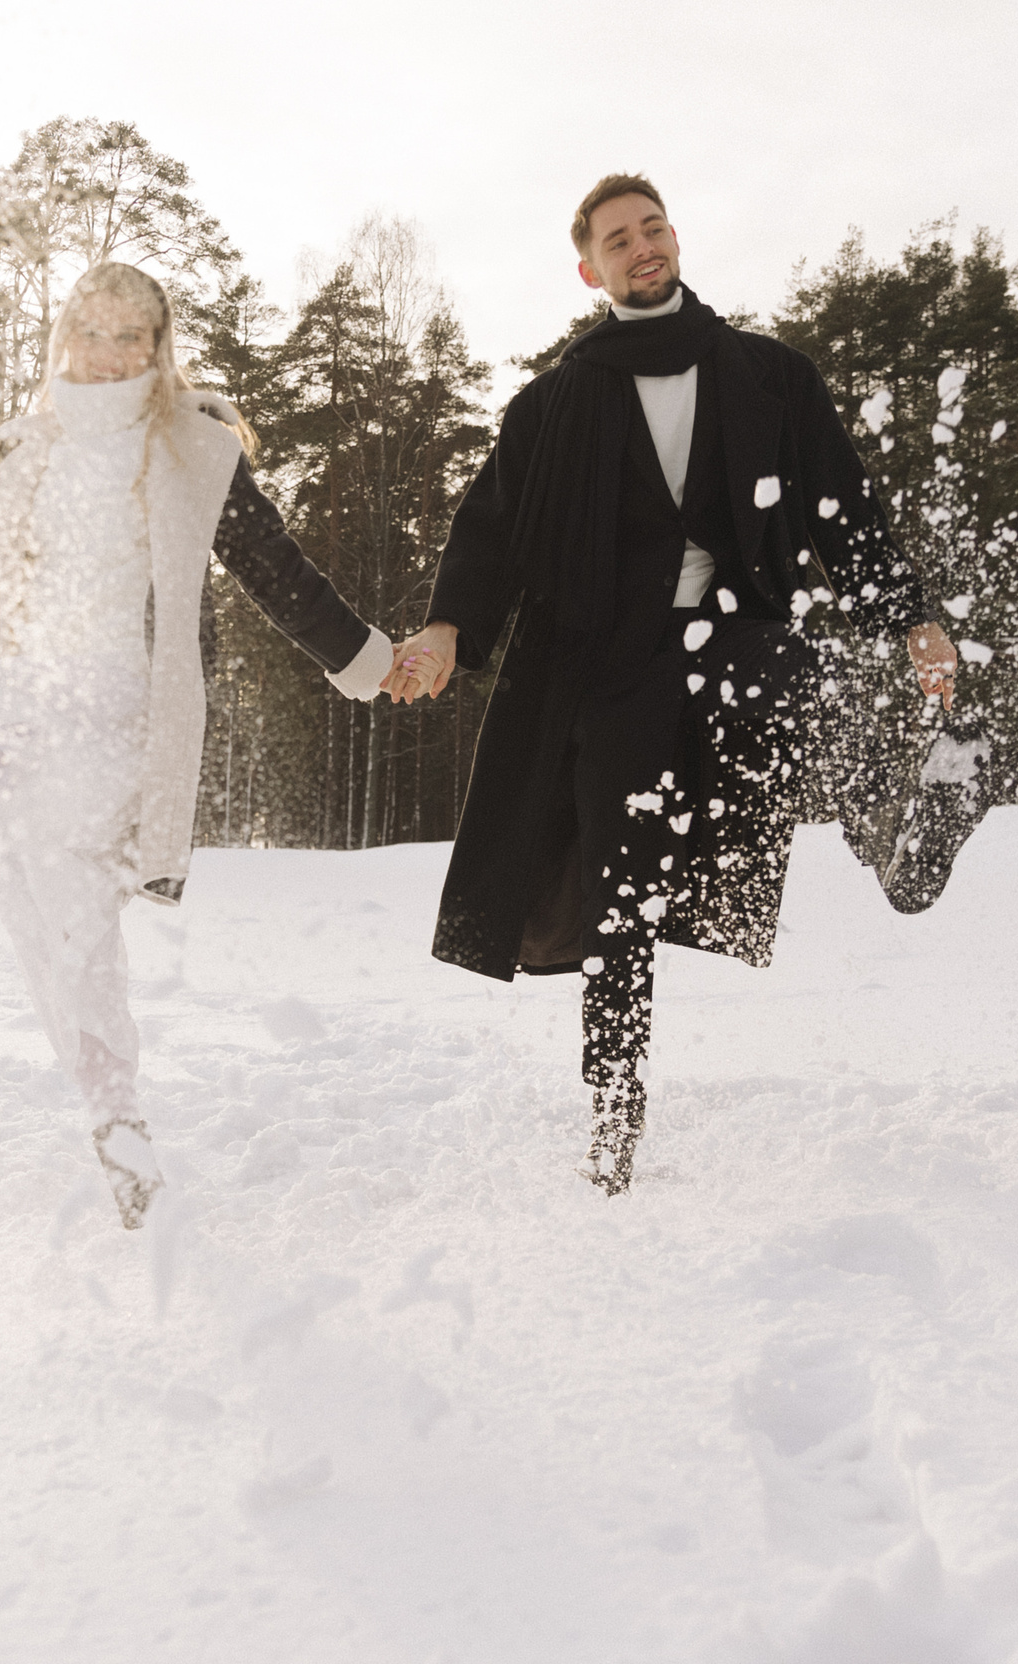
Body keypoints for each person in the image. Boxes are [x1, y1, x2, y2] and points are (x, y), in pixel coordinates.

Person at [0, 262, 394, 1229]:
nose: (111, 351)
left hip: (114, 723)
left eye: (133, 336)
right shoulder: (17, 450)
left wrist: (375, 663)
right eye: (93, 331)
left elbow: (278, 573)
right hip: (10, 705)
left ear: (157, 348)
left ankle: (116, 1124)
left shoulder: (195, 453)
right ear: (65, 339)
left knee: (79, 947)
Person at [387, 174, 962, 1195]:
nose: (641, 246)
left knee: (792, 699)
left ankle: (903, 836)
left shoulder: (767, 376)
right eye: (618, 239)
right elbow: (490, 535)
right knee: (617, 894)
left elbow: (841, 508)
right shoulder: (552, 405)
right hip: (610, 672)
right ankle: (613, 1103)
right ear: (589, 269)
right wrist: (445, 631)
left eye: (652, 228)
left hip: (733, 637)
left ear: (674, 238)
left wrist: (909, 615)